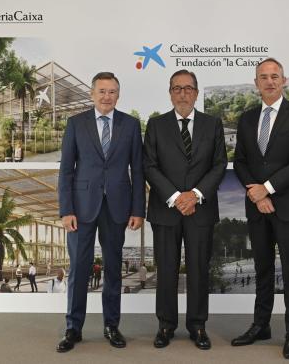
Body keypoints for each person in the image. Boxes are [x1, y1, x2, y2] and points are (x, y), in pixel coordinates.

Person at [232, 58, 289, 359]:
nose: (269, 81)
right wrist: (256, 195)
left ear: (284, 81)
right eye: (263, 77)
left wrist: (266, 189)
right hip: (257, 207)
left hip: (288, 206)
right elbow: (240, 161)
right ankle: (261, 325)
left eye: (274, 76)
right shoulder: (247, 118)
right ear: (256, 83)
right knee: (262, 268)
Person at [56, 72, 145, 353]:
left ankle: (111, 326)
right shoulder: (76, 123)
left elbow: (138, 170)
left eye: (113, 92)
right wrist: (66, 209)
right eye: (102, 91)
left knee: (113, 270)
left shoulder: (130, 125)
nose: (107, 97)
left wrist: (138, 209)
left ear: (119, 95)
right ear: (92, 94)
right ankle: (73, 328)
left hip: (118, 207)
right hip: (81, 209)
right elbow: (66, 170)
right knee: (79, 270)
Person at [143, 69, 227, 350]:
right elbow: (149, 166)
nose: (183, 93)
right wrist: (177, 196)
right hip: (165, 210)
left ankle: (198, 326)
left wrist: (195, 195)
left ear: (196, 93)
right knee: (166, 269)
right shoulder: (155, 125)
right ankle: (165, 325)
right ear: (170, 93)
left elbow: (219, 165)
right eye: (177, 88)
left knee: (199, 269)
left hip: (200, 209)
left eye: (188, 88)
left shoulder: (212, 124)